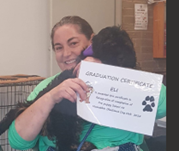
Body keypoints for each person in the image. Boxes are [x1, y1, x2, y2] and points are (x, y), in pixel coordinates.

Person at [7, 16, 166, 151]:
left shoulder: (123, 74)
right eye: (58, 47)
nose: (66, 53)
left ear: (91, 42)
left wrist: (107, 73)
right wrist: (50, 97)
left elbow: (163, 107)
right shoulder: (47, 86)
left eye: (73, 43)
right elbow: (18, 141)